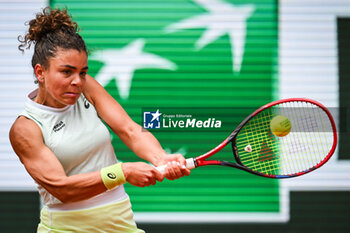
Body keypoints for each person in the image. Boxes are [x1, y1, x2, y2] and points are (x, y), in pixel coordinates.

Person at [9, 7, 190, 233]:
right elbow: (62, 189)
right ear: (40, 73)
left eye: (82, 72)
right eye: (67, 72)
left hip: (120, 221)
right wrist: (122, 172)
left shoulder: (86, 88)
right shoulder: (25, 128)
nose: (77, 81)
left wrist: (161, 157)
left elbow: (129, 130)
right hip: (65, 228)